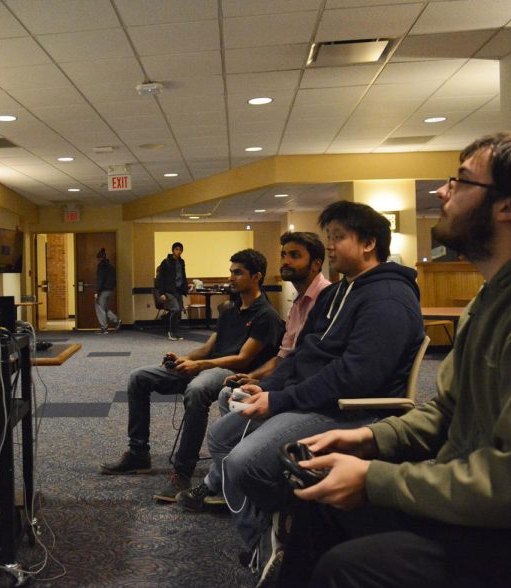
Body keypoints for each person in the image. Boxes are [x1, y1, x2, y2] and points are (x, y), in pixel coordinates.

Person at [277, 131, 511, 588]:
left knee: (345, 569)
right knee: (315, 497)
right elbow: (446, 412)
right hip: (467, 490)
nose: (442, 191)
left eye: (460, 181)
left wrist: (374, 479)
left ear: (509, 205)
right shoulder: (492, 297)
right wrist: (367, 439)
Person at [177, 201, 424, 574]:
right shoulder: (338, 292)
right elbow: (302, 353)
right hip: (314, 399)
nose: (330, 247)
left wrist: (281, 399)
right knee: (223, 436)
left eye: (338, 238)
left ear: (369, 243)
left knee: (243, 464)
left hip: (352, 409)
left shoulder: (388, 297)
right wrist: (268, 386)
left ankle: (287, 534)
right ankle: (269, 536)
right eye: (329, 238)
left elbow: (357, 376)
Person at [100, 249, 285, 503]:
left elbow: (242, 359)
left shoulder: (267, 316)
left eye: (238, 273)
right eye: (231, 271)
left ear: (257, 277)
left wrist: (200, 366)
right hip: (210, 366)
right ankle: (138, 453)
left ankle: (182, 472)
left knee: (196, 391)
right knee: (138, 377)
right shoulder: (229, 309)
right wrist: (185, 359)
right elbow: (208, 348)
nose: (231, 277)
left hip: (233, 373)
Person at [217, 231, 331, 414]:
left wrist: (270, 385)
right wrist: (253, 377)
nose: (285, 261)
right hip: (287, 378)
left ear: (316, 264)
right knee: (229, 394)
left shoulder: (327, 298)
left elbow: (313, 361)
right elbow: (283, 356)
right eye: (283, 255)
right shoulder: (298, 302)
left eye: (295, 255)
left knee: (224, 428)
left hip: (304, 389)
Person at [155, 242, 188, 341]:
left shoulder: (181, 262)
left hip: (178, 290)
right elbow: (160, 278)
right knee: (175, 309)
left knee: (179, 312)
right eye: (176, 249)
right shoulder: (166, 262)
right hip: (169, 290)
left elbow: (183, 275)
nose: (178, 251)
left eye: (180, 249)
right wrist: (161, 293)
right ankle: (170, 332)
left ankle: (175, 332)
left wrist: (185, 287)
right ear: (173, 250)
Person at [94, 248, 121, 334]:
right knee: (103, 307)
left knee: (99, 307)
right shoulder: (111, 267)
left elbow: (100, 280)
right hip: (110, 290)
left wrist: (97, 292)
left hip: (104, 290)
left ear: (99, 258)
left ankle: (104, 328)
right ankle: (116, 320)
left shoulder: (101, 266)